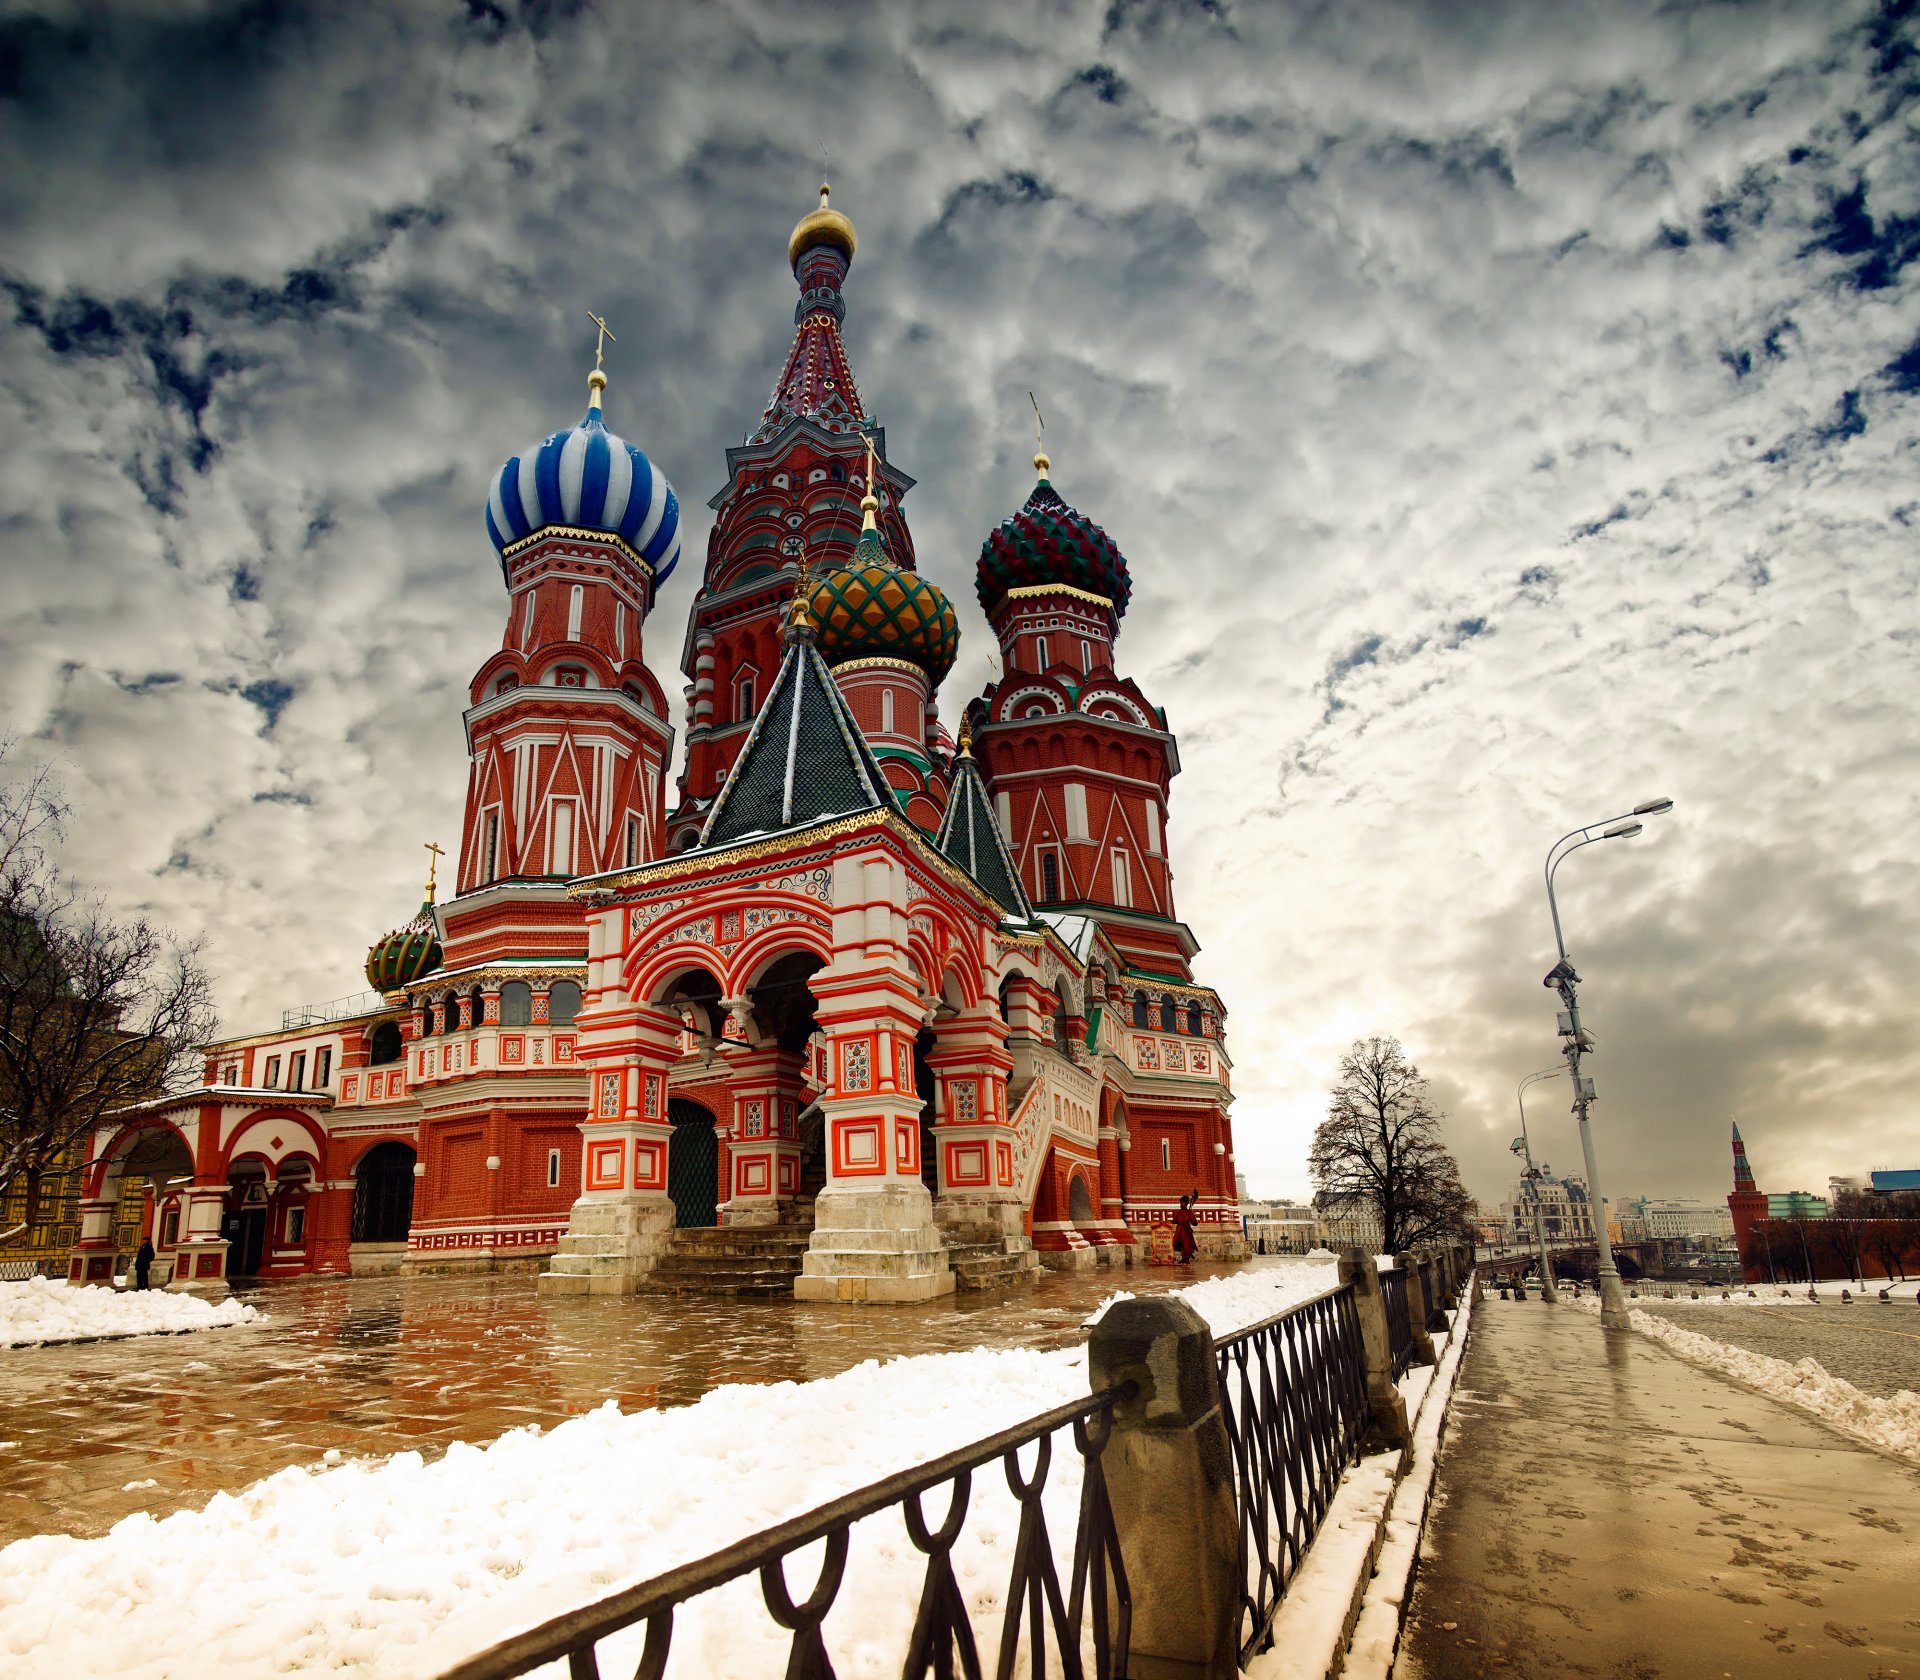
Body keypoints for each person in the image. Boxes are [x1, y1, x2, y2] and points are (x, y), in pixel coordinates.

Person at [1171, 1190, 1199, 1262]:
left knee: (1187, 1245)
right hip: (1179, 1231)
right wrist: (1167, 1222)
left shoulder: (1189, 1212)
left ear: (1186, 1204)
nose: (1180, 1204)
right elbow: (1175, 1221)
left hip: (1186, 1231)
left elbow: (1195, 1223)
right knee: (1180, 1245)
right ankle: (1183, 1258)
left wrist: (1190, 1219)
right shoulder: (1178, 1212)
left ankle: (1186, 1258)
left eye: (1182, 1203)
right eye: (1180, 1202)